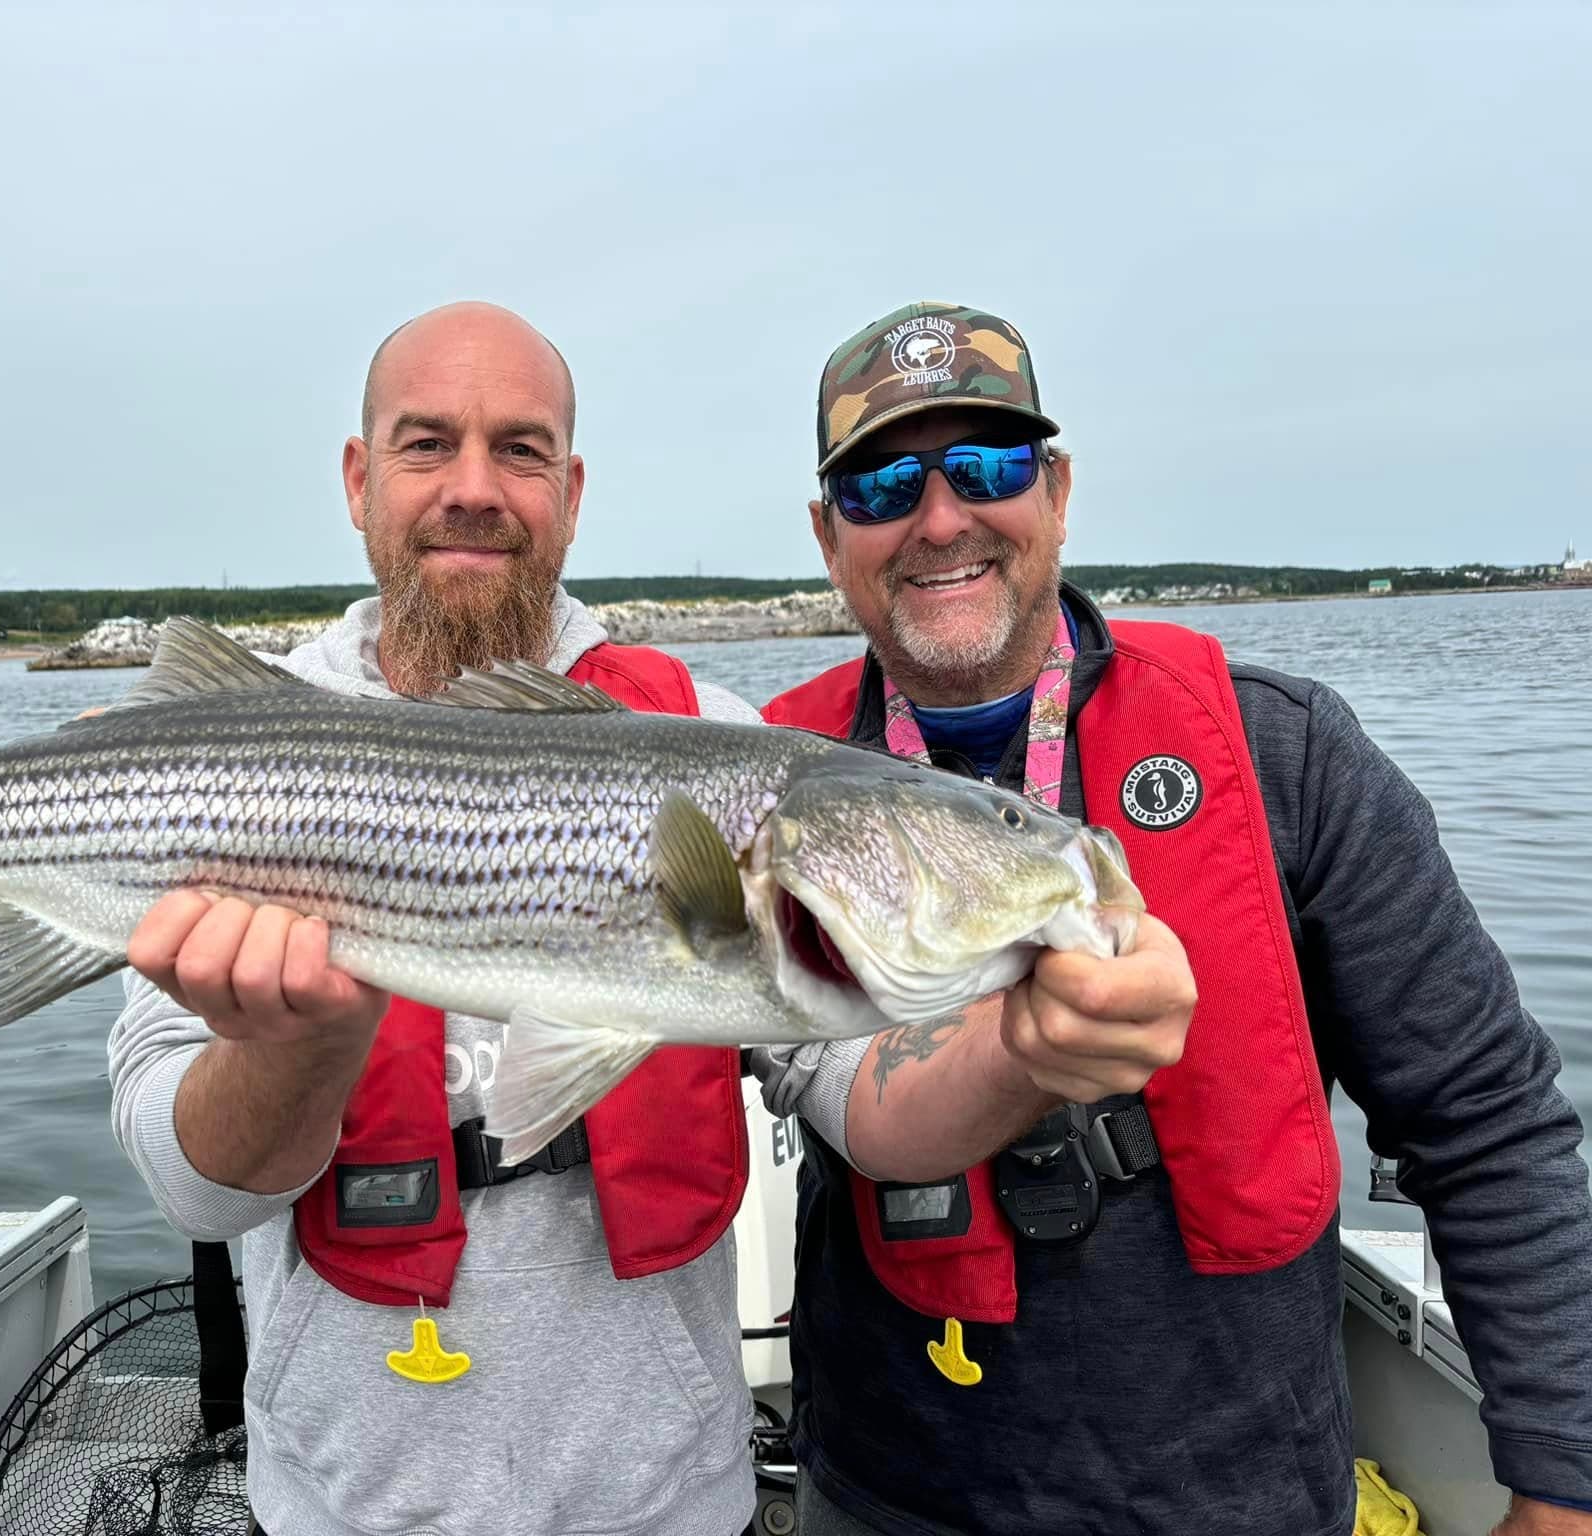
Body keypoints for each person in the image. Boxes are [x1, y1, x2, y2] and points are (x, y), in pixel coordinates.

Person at [106, 300, 1191, 1536]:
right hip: (344, 1502)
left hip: (667, 1500)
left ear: (569, 491)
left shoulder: (712, 733)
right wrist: (296, 1045)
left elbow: (870, 1108)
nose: (474, 489)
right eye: (424, 446)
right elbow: (188, 1188)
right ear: (358, 481)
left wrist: (1024, 1054)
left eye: (519, 450)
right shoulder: (226, 756)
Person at [755, 301, 1592, 1536]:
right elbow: (825, 1080)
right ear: (829, 537)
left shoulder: (1281, 752)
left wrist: (1562, 1477)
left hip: (1240, 1492)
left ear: (1055, 489)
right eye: (882, 485)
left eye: (984, 466)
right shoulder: (758, 789)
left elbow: (1483, 1117)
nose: (939, 519)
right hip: (893, 1491)